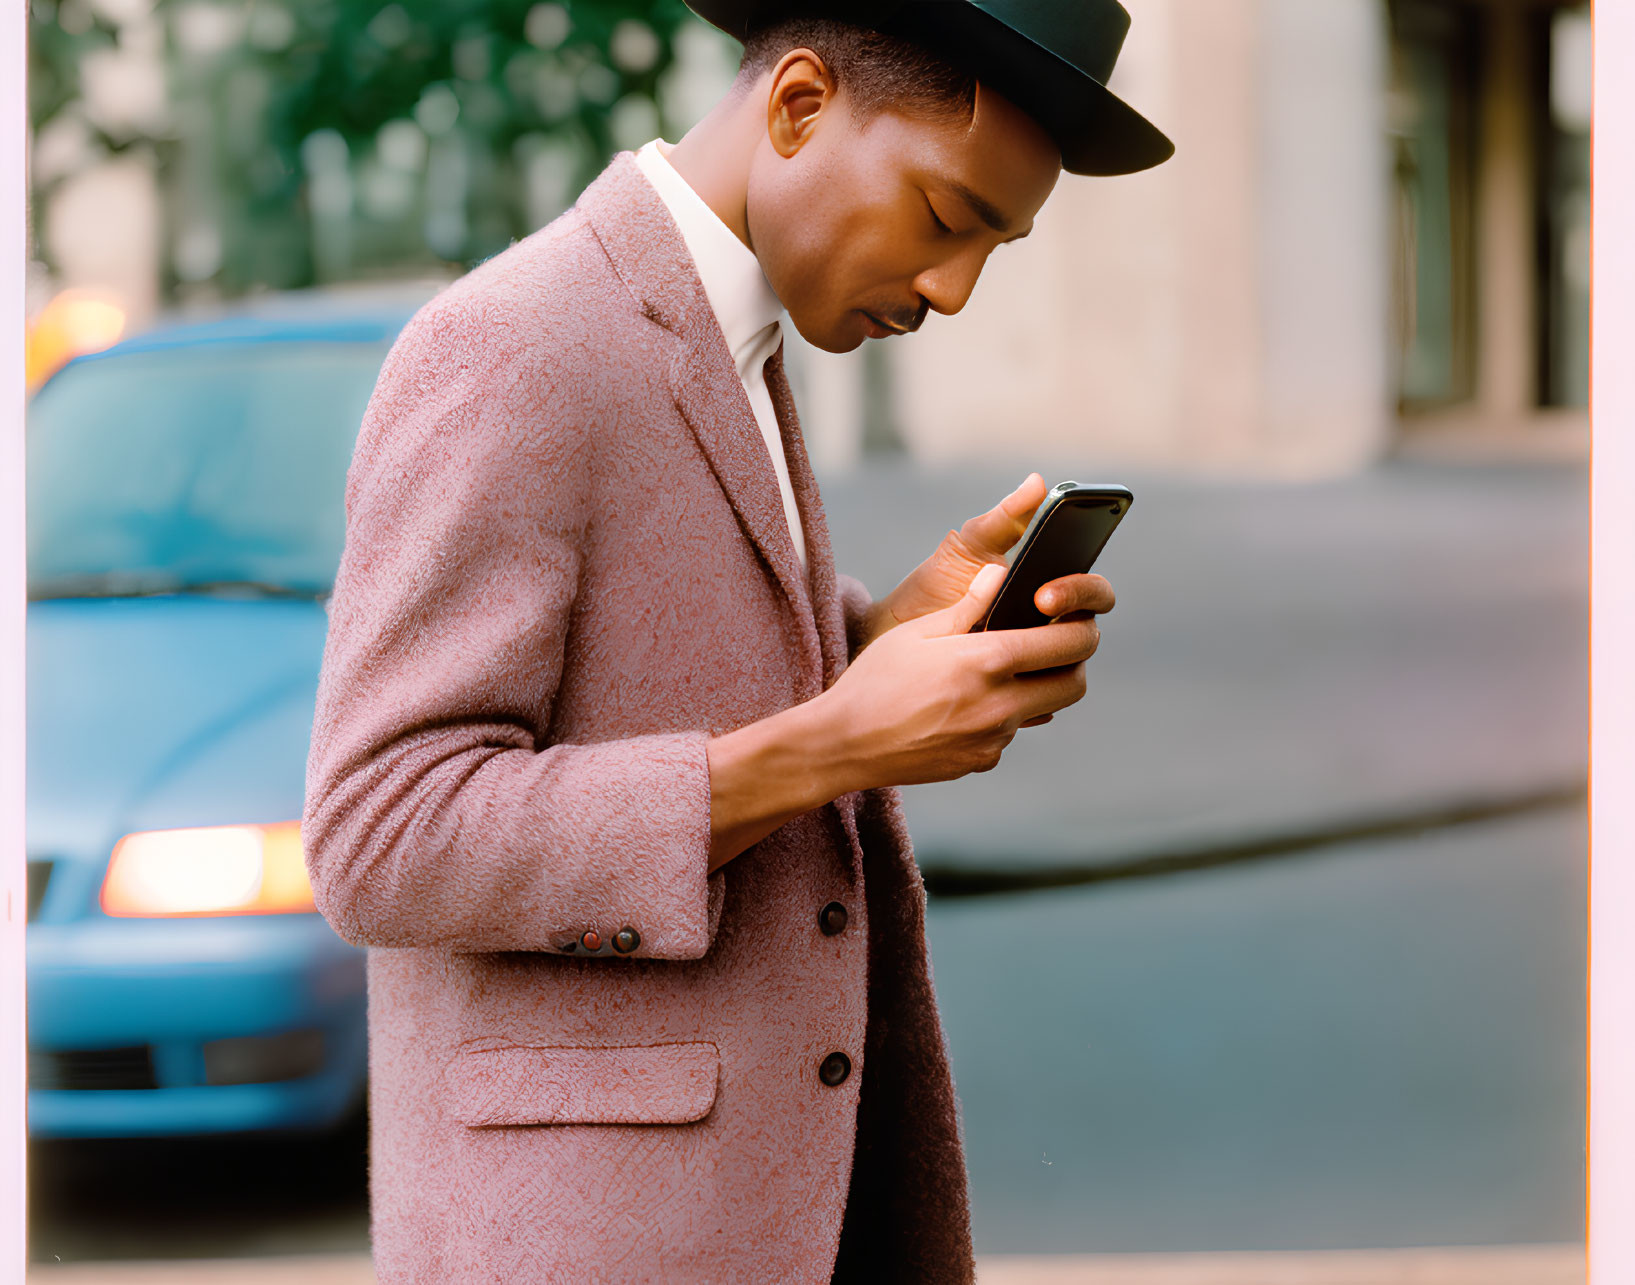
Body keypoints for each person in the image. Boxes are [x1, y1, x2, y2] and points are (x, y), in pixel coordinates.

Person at [301, 1, 1172, 1281]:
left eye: (997, 245)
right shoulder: (514, 345)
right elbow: (380, 835)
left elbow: (648, 676)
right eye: (944, 218)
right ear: (801, 106)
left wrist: (882, 633)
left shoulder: (734, 330)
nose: (954, 290)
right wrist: (831, 742)